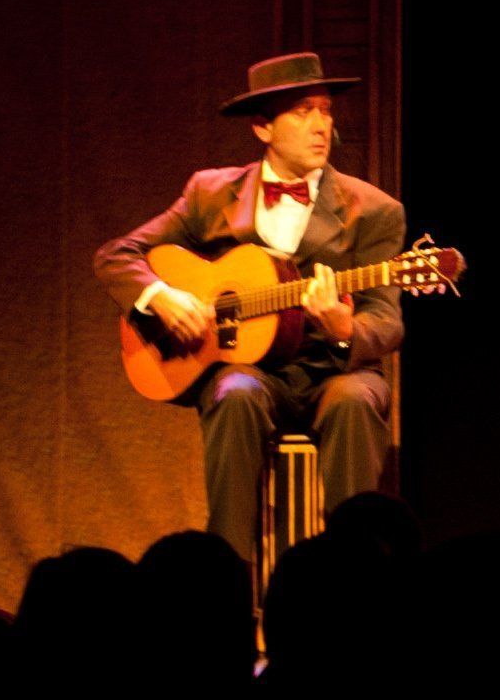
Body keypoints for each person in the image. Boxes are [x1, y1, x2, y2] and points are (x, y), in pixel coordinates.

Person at [96, 52, 405, 567]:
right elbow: (117, 255)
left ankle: (355, 574)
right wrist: (163, 297)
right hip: (252, 370)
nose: (321, 126)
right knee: (234, 391)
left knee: (354, 400)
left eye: (326, 110)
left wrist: (345, 328)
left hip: (336, 370)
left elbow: (387, 320)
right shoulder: (210, 192)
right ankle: (226, 574)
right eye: (303, 111)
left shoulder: (374, 210)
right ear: (263, 127)